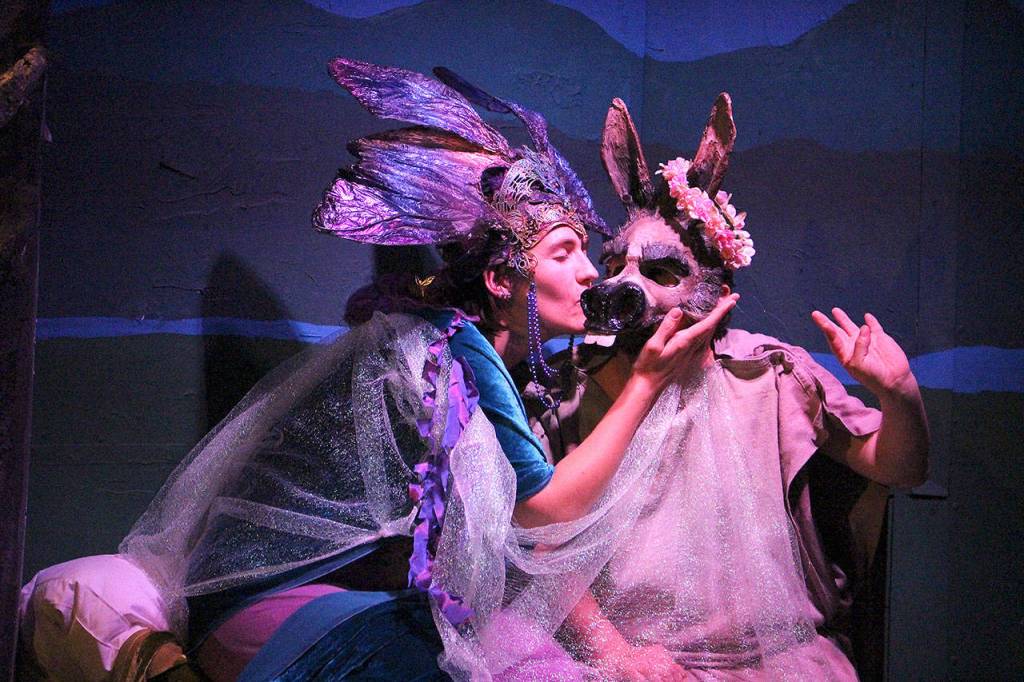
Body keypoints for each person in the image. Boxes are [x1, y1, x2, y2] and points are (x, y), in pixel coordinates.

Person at [115, 60, 735, 681]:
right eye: (562, 254)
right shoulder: (454, 350)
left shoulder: (496, 362)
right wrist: (647, 383)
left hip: (332, 596)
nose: (589, 274)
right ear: (499, 281)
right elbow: (543, 510)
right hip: (266, 607)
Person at [521, 95, 929, 679]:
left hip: (773, 659)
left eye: (661, 273)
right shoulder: (571, 389)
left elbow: (898, 467)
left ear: (714, 287)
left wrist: (900, 394)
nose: (629, 286)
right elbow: (543, 543)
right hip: (635, 665)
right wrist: (613, 654)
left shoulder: (771, 374)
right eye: (617, 268)